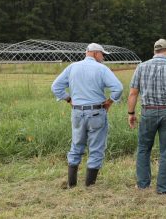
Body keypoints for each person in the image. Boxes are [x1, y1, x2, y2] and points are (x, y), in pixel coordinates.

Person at [51, 43, 123, 188]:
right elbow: (118, 88)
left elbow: (55, 87)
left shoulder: (72, 67)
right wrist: (110, 101)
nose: (103, 58)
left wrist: (68, 99)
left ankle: (72, 184)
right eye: (102, 55)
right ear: (96, 53)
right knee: (96, 148)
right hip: (96, 112)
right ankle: (89, 186)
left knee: (76, 146)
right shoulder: (102, 69)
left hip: (77, 112)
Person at [127, 38, 166, 194]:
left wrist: (131, 113)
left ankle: (143, 185)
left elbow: (133, 93)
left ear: (154, 51)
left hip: (148, 112)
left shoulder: (141, 67)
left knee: (143, 148)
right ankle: (163, 189)